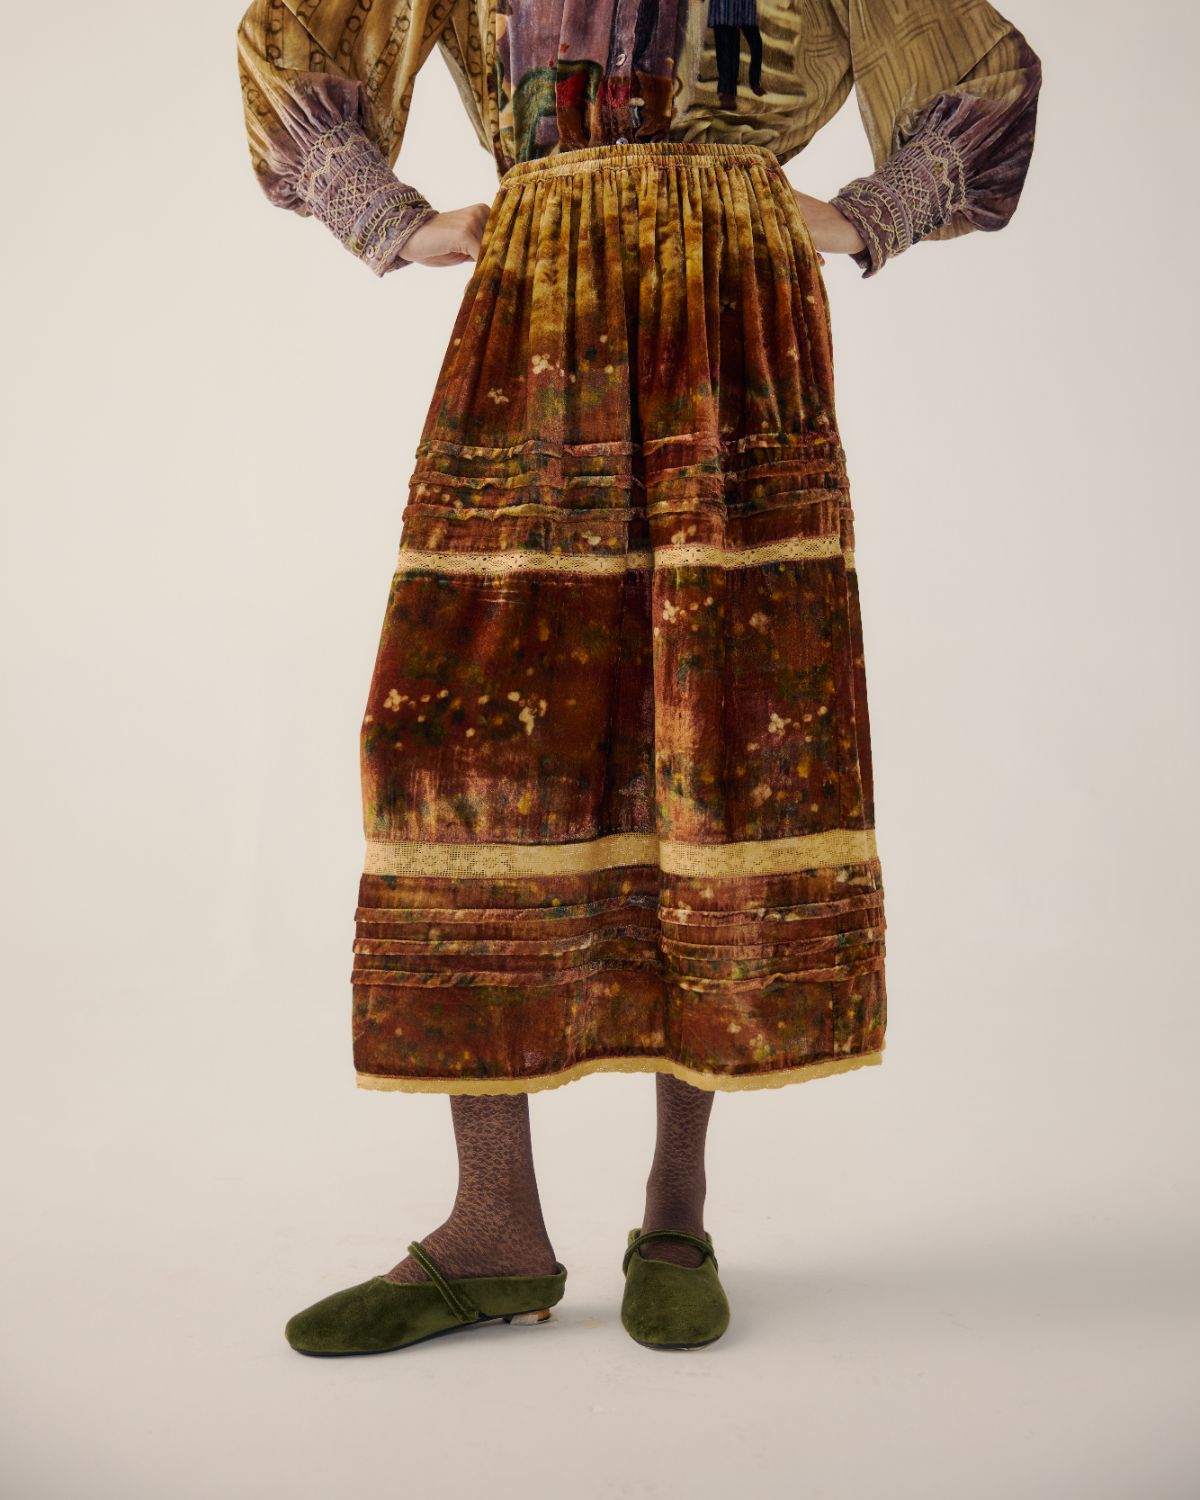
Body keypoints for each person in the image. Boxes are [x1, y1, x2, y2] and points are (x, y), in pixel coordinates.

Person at [235, 0, 1042, 1355]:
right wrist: (391, 216)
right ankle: (494, 1229)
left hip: (732, 313)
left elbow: (983, 69)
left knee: (706, 731)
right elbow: (299, 31)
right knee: (466, 747)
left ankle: (675, 1209)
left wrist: (862, 217)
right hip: (536, 300)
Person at [708, 0, 766, 111]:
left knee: (733, 47)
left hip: (739, 11)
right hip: (725, 10)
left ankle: (748, 84)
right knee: (726, 49)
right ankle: (728, 92)